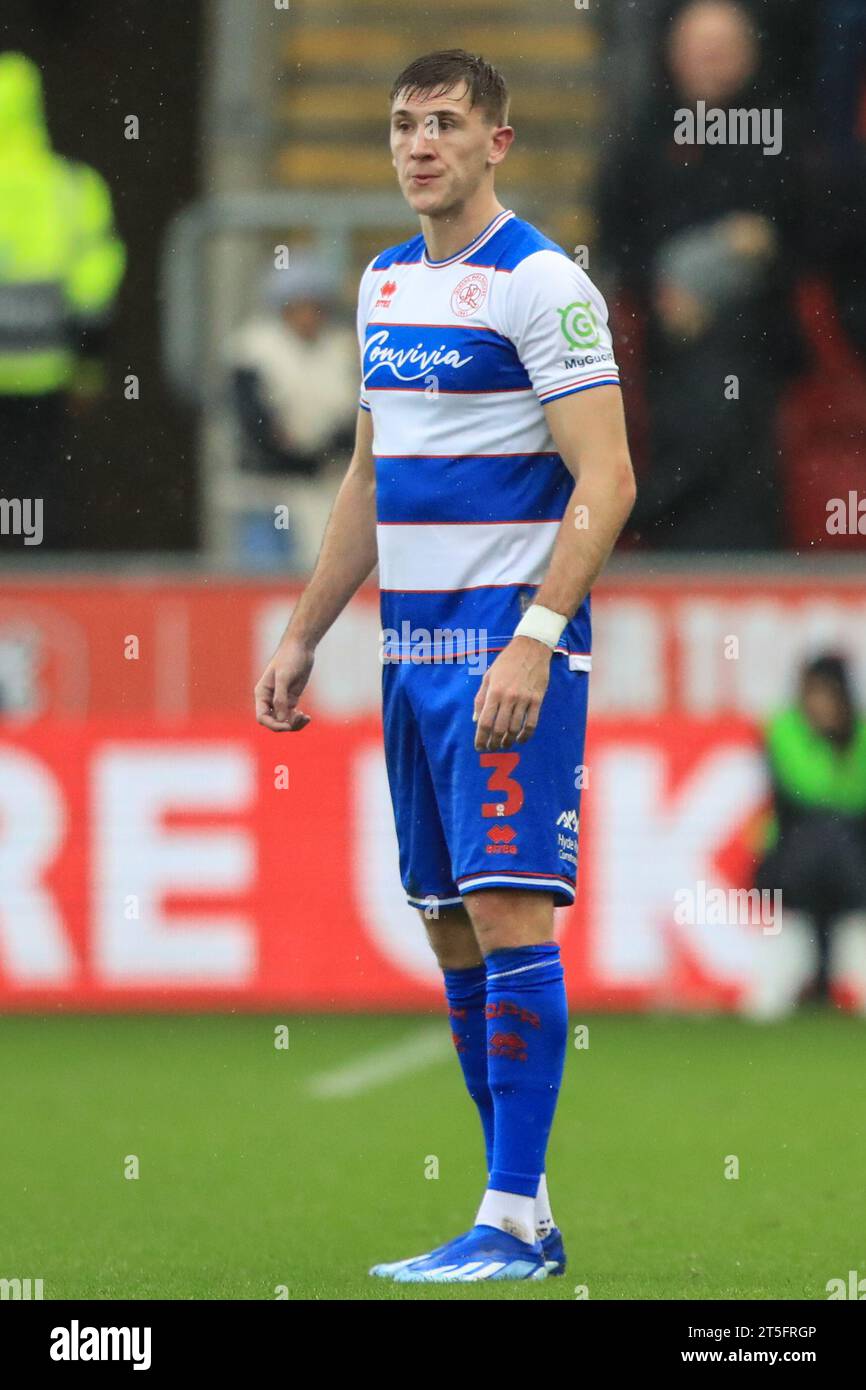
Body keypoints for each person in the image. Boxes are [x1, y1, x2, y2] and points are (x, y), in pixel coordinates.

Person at [255, 49, 636, 1282]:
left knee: (510, 908)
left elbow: (607, 478)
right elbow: (368, 479)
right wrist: (308, 628)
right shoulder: (379, 285)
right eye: (402, 125)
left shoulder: (541, 285)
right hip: (409, 655)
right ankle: (514, 1216)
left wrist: (535, 632)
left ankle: (511, 1213)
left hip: (504, 649)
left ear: (496, 143)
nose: (419, 144)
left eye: (444, 124)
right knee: (450, 927)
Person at [599, 0, 806, 550]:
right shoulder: (646, 136)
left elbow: (810, 235)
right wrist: (660, 288)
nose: (711, 62)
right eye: (700, 50)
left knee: (726, 380)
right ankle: (675, 521)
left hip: (761, 333)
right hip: (665, 334)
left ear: (750, 55)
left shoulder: (782, 133)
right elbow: (617, 234)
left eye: (724, 50)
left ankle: (669, 514)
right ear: (674, 56)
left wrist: (758, 248)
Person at [0, 52, 125, 551]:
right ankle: (31, 583)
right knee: (37, 482)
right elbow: (94, 292)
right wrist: (89, 370)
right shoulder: (73, 189)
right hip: (45, 372)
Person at [226, 256, 357, 567]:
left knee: (323, 568)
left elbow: (358, 419)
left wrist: (324, 450)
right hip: (267, 486)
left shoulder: (342, 348)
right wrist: (290, 452)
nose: (308, 316)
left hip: (326, 483)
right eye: (298, 306)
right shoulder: (254, 348)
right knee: (265, 572)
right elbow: (253, 421)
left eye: (315, 306)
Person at [756, 655, 866, 1003]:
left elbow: (855, 795)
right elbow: (811, 789)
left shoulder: (860, 734)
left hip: (849, 867)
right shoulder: (784, 729)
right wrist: (835, 747)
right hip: (792, 866)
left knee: (837, 837)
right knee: (824, 832)